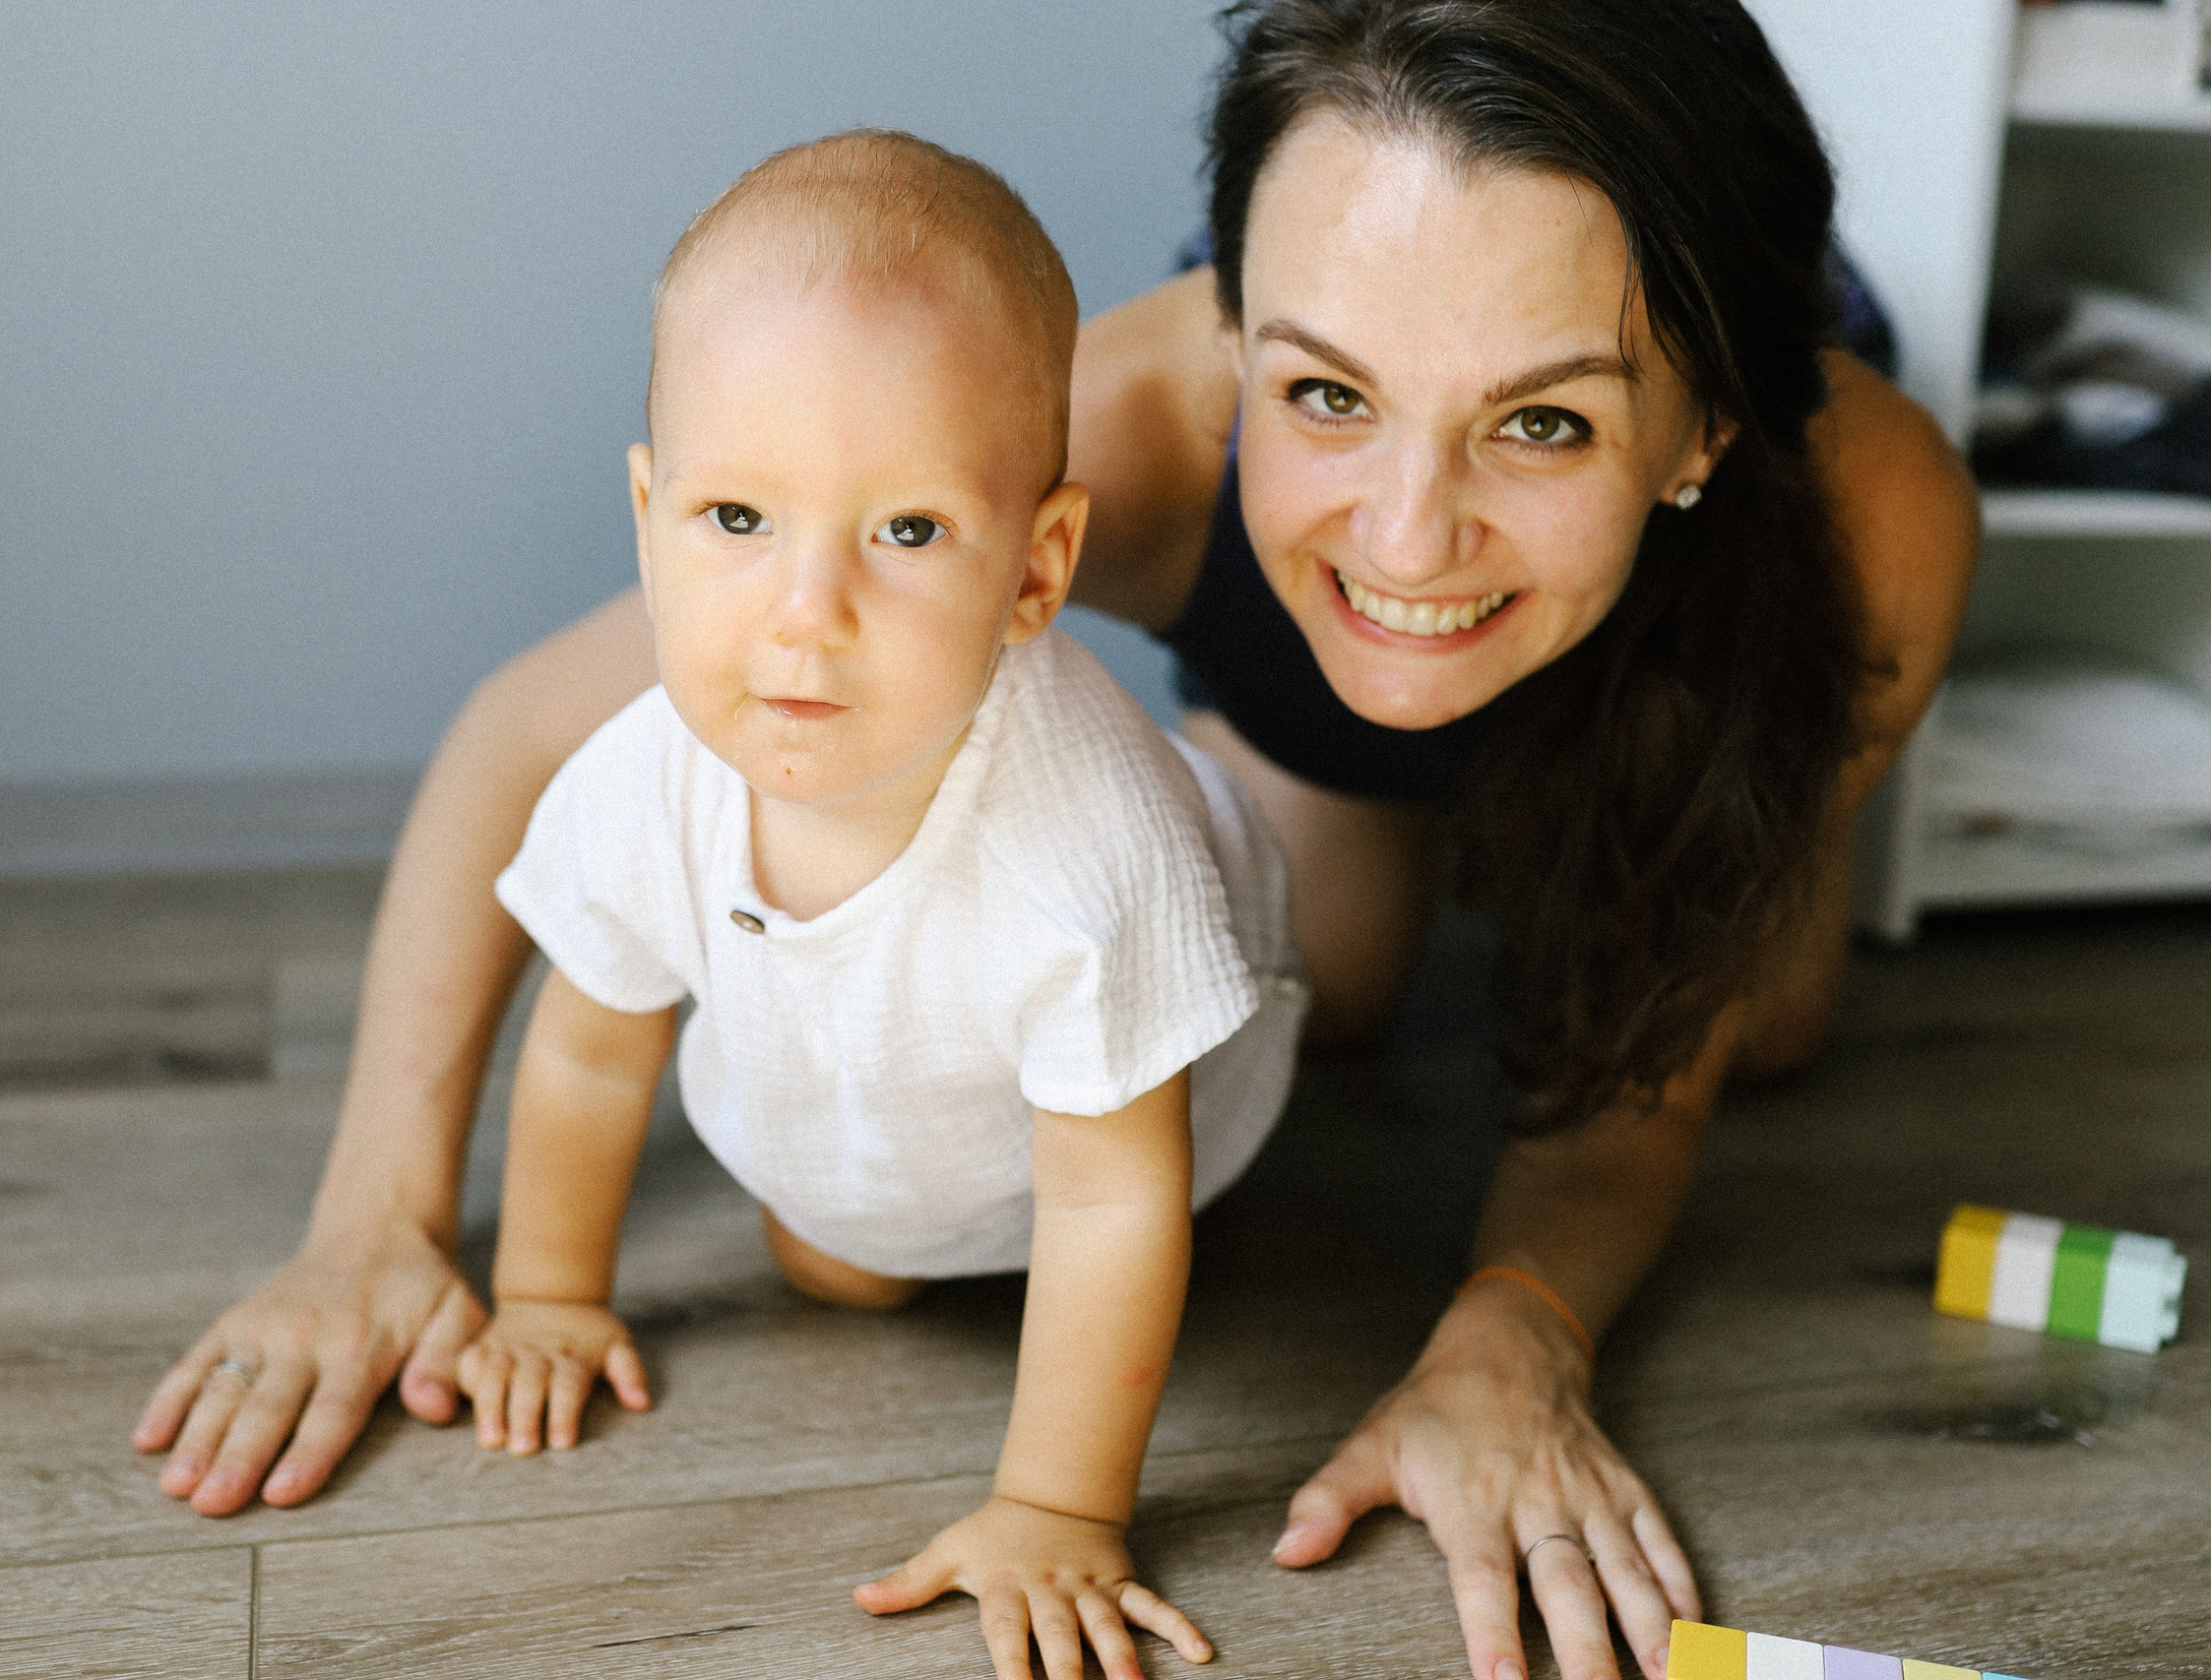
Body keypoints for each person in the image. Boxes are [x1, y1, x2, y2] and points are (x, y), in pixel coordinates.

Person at [134, 7, 1980, 1680]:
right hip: (1308, 678)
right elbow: (521, 743)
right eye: (1327, 393)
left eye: (1544, 423)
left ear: (1691, 433)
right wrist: (375, 1217)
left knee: (1765, 1012)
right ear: (1240, 325)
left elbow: (1634, 1072)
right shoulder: (1116, 434)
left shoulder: (1864, 523)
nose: (1410, 535)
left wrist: (1513, 1329)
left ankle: (1588, 668)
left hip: (1692, 635)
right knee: (1328, 987)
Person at [447, 129, 1302, 1679]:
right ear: (648, 518)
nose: (804, 616)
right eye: (734, 522)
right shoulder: (649, 775)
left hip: (1150, 1098)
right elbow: (590, 1049)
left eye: (907, 532)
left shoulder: (1091, 862)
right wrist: (549, 1296)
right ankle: (871, 1206)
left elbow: (1115, 1200)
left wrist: (1058, 1505)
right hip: (879, 1070)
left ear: (1040, 568)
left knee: (1143, 1222)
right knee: (839, 1262)